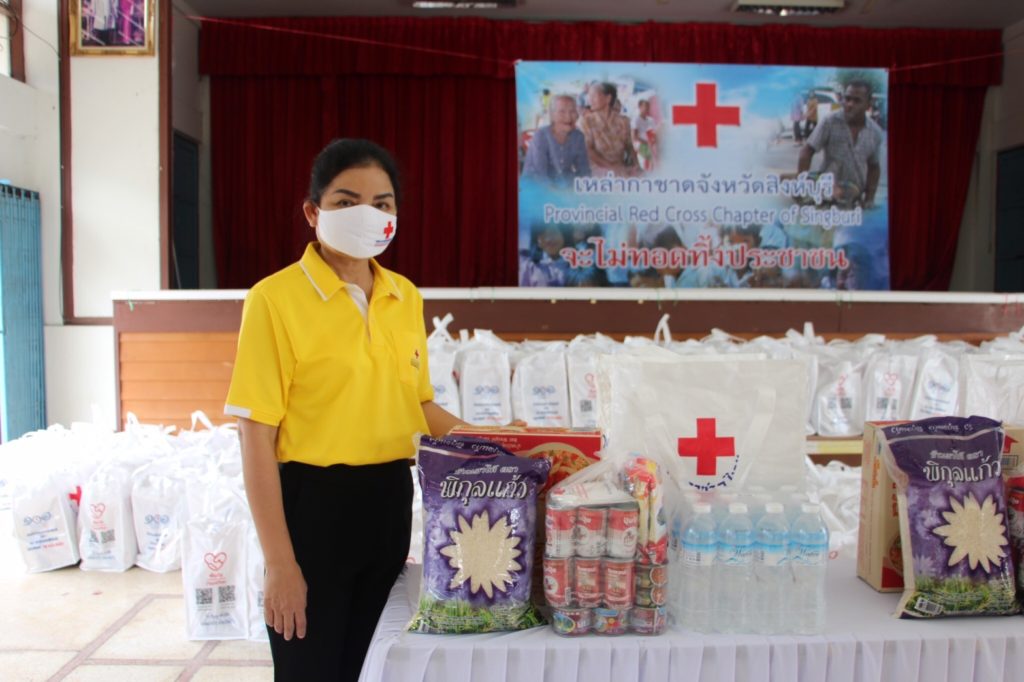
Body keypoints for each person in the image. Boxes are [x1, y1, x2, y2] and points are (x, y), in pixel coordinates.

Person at [224, 139, 464, 681]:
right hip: (312, 512)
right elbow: (255, 434)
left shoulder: (404, 296)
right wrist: (280, 564)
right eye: (346, 202)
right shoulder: (274, 300)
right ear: (313, 212)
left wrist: (498, 440)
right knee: (309, 669)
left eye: (382, 203)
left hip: (388, 505)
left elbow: (418, 405)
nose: (367, 215)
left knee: (371, 667)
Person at [798, 81, 884, 209]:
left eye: (857, 100)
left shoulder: (875, 132)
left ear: (868, 104)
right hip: (827, 195)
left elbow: (874, 167)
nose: (850, 104)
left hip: (854, 198)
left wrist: (869, 199)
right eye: (847, 99)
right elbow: (807, 151)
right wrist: (802, 186)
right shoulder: (829, 122)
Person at [521, 95, 591, 186]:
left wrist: (585, 186)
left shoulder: (578, 136)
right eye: (562, 112)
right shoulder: (541, 135)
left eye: (572, 111)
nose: (568, 117)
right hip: (536, 185)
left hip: (564, 183)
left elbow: (584, 169)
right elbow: (540, 175)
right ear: (552, 115)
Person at [579, 82, 640, 177]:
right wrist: (611, 167)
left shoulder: (623, 121)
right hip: (596, 173)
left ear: (608, 98)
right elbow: (588, 149)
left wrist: (636, 165)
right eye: (589, 96)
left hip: (620, 171)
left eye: (594, 96)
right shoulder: (586, 122)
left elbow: (629, 147)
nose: (590, 100)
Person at [632, 99, 658, 172]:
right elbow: (634, 137)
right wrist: (647, 143)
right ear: (640, 107)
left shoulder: (651, 120)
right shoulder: (636, 120)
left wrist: (653, 141)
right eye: (645, 106)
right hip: (641, 145)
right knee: (646, 163)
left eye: (648, 106)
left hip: (651, 145)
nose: (647, 108)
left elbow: (654, 133)